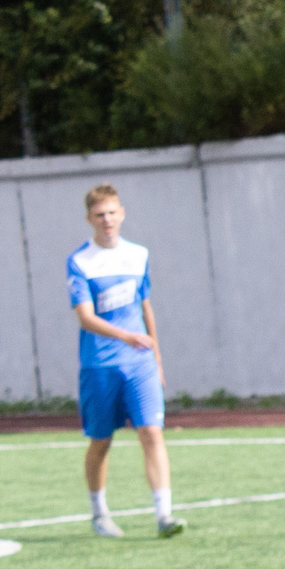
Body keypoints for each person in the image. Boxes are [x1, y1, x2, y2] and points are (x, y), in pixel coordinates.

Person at [69, 185, 182, 538]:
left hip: (140, 365)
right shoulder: (80, 262)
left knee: (151, 431)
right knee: (101, 440)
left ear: (122, 214)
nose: (107, 220)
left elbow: (145, 307)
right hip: (100, 366)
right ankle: (99, 512)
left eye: (112, 213)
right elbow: (85, 317)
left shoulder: (138, 255)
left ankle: (164, 516)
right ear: (89, 219)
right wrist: (125, 337)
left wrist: (157, 359)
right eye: (100, 215)